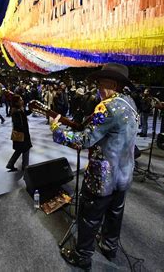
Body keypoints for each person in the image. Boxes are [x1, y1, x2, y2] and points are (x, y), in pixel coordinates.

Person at [50, 63, 138, 270]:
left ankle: (82, 257)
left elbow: (84, 140)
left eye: (100, 83)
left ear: (113, 84)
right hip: (124, 174)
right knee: (115, 213)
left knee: (90, 217)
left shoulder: (106, 106)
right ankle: (109, 247)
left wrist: (57, 130)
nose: (97, 87)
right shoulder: (130, 102)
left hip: (103, 177)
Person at [5, 95, 32, 172]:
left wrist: (30, 110)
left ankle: (10, 164)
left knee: (19, 150)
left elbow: (25, 113)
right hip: (21, 134)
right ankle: (25, 167)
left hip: (21, 134)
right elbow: (17, 124)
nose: (22, 101)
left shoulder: (19, 109)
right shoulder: (16, 111)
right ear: (16, 102)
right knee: (26, 149)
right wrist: (24, 131)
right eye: (20, 100)